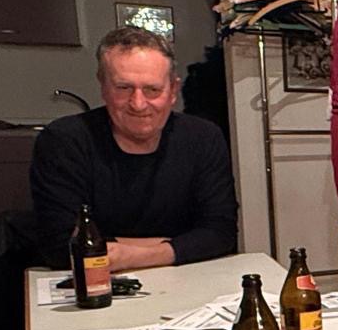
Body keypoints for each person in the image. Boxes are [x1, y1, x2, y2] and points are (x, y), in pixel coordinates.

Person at [28, 27, 238, 271]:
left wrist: (129, 255)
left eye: (152, 89)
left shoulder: (203, 137)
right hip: (93, 282)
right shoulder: (64, 140)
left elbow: (221, 233)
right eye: (123, 88)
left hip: (186, 278)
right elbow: (59, 246)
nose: (138, 104)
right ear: (103, 87)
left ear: (173, 90)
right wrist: (177, 245)